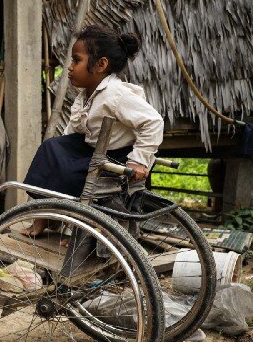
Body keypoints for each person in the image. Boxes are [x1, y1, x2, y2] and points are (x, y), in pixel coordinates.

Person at [23, 25, 164, 235]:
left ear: (101, 65)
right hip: (92, 151)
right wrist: (59, 155)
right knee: (50, 150)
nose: (69, 67)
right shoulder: (85, 95)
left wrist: (139, 160)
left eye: (76, 60)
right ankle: (47, 214)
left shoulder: (116, 94)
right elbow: (73, 132)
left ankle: (76, 230)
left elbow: (153, 122)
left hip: (115, 159)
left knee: (69, 174)